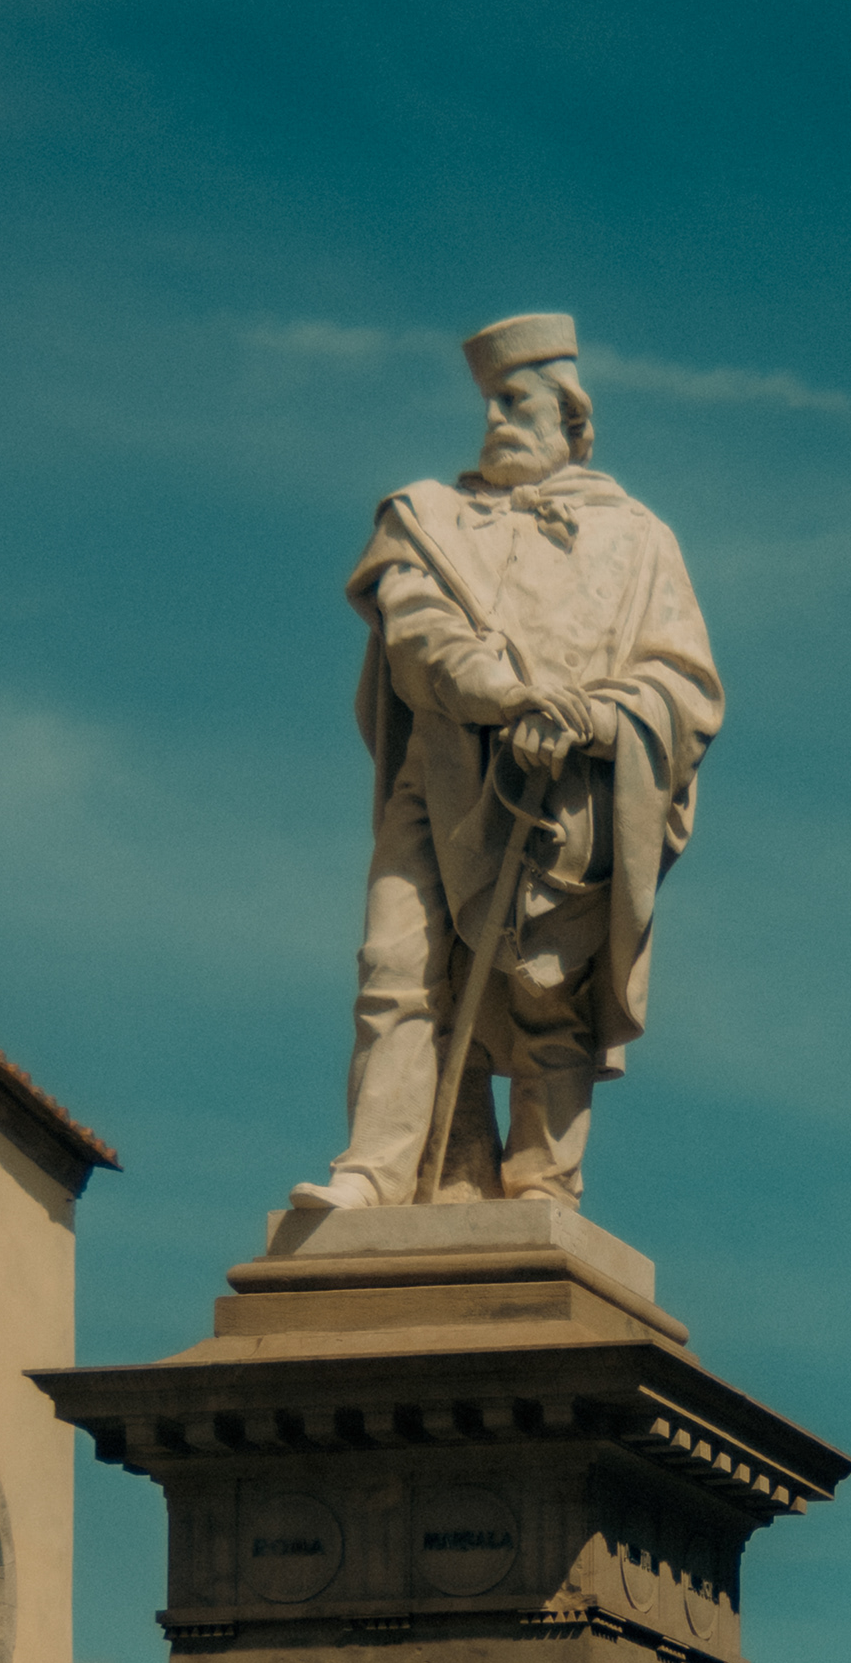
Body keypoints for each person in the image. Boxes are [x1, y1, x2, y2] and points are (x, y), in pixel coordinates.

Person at [291, 311, 723, 1213]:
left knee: (547, 989)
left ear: (572, 417)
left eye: (515, 402)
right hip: (446, 770)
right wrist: (505, 694)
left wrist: (597, 720)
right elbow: (416, 635)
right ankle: (379, 1166)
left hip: (569, 794)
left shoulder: (643, 540)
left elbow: (684, 686)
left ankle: (542, 1184)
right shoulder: (430, 518)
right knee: (396, 962)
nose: (494, 420)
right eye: (488, 402)